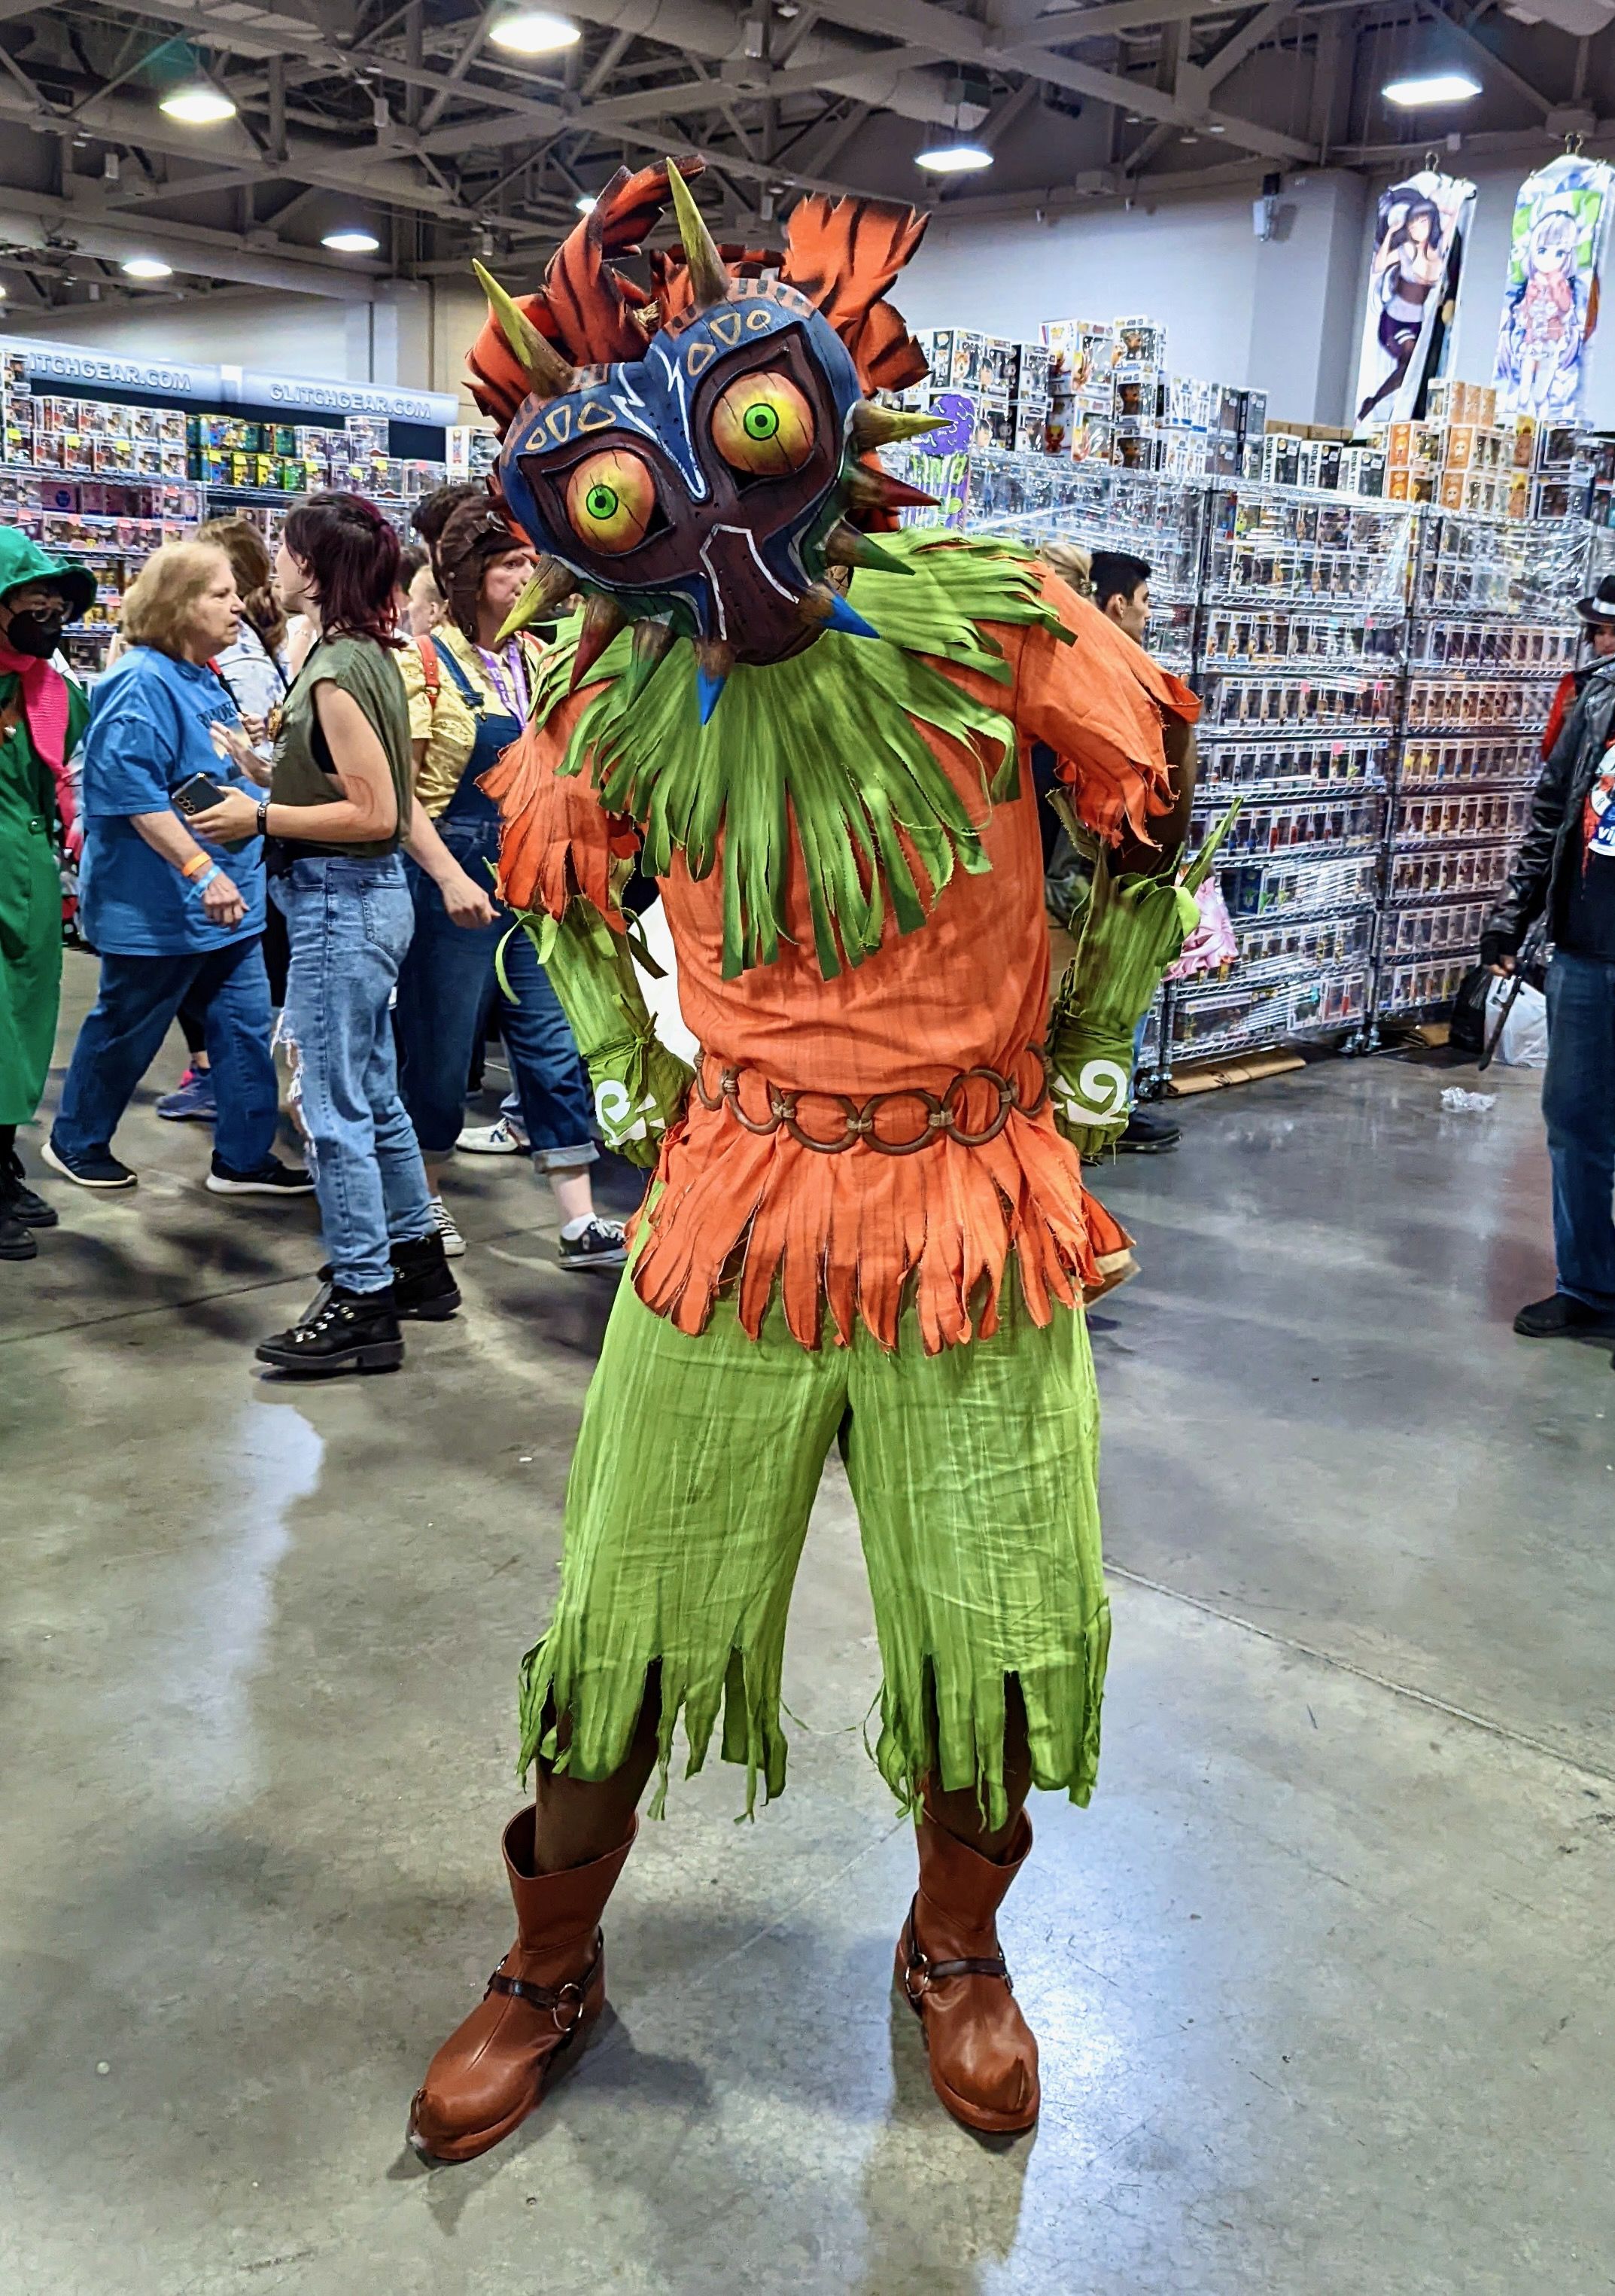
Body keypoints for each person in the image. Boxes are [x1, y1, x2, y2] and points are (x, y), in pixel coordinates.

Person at [406, 161, 1200, 2166]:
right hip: (737, 1207)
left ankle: (957, 1950)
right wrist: (635, 1090)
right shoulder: (609, 690)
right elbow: (556, 888)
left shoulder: (1003, 621)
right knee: (625, 1620)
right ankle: (547, 1959)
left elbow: (1141, 827)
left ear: (828, 393)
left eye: (746, 423)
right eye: (620, 490)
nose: (704, 505)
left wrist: (1090, 1075)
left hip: (976, 1207)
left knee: (997, 1630)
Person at [187, 492, 464, 1374]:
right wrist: (269, 772)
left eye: (287, 548)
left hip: (342, 900)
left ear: (315, 565)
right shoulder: (365, 656)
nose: (276, 562)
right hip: (362, 898)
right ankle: (413, 1258)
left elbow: (375, 809)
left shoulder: (340, 669)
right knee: (369, 1087)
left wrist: (260, 813)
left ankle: (361, 1294)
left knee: (329, 1104)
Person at [394, 494, 626, 1270]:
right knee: (438, 1044)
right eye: (507, 564)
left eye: (531, 561)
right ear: (465, 575)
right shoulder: (422, 664)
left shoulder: (542, 655)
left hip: (534, 877)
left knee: (551, 1039)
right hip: (451, 882)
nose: (526, 575)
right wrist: (448, 876)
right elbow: (402, 798)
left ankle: (579, 1217)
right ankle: (420, 1200)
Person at [43, 544, 310, 1203]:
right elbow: (131, 791)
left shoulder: (201, 673)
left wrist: (255, 770)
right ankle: (77, 1139)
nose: (238, 605)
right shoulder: (141, 680)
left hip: (229, 899)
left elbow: (188, 781)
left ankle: (244, 1158)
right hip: (161, 902)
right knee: (128, 1024)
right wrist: (199, 868)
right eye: (219, 594)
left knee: (246, 1026)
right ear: (178, 603)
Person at [1483, 571, 1615, 1352]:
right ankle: (1587, 1284)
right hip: (1586, 949)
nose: (1597, 641)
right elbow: (1548, 815)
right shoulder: (1593, 699)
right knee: (1572, 1122)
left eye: (1607, 628)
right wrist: (1511, 917)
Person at [159, 516, 293, 1127]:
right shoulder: (162, 672)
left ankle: (239, 1138)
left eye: (226, 587)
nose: (233, 604)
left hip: (236, 854)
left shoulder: (234, 657)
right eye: (216, 593)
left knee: (225, 998)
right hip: (224, 854)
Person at [0, 531, 94, 1260]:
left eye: (55, 604)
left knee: (27, 1032)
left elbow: (72, 782)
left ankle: (2, 1160)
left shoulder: (57, 692)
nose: (49, 614)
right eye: (33, 599)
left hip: (31, 886)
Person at [1083, 550, 1183, 1155]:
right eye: (1144, 603)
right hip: (1094, 869)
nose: (1148, 617)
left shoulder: (1116, 670)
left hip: (1107, 866)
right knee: (1105, 999)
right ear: (1117, 604)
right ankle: (1104, 1110)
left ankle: (1111, 1104)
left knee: (1117, 997)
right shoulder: (1101, 676)